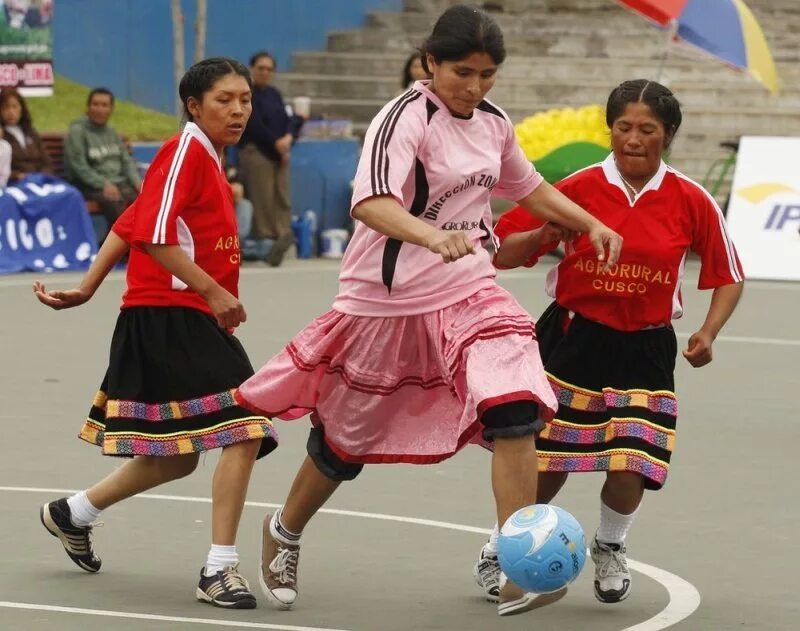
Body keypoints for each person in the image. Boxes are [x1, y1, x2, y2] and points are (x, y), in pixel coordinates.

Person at [235, 5, 621, 617]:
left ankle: (517, 565)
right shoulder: (402, 118)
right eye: (462, 72)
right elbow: (371, 204)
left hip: (469, 288)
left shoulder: (493, 122)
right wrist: (427, 235)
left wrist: (590, 221)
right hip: (387, 300)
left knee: (517, 404)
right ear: (431, 63)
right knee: (345, 443)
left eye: (488, 74)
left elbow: (529, 187)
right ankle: (283, 531)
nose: (474, 86)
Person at [473, 79, 745, 606]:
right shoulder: (575, 187)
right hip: (572, 340)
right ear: (611, 129)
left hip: (646, 349)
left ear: (668, 136)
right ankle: (504, 547)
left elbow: (728, 273)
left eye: (648, 129)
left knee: (632, 464)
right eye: (624, 127)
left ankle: (611, 545)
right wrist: (544, 237)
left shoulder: (691, 198)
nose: (634, 139)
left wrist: (708, 331)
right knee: (547, 463)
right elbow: (502, 252)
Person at [34, 57, 279, 610]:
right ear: (194, 106)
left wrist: (88, 286)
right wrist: (214, 292)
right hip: (170, 313)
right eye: (225, 99)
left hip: (181, 313)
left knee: (178, 455)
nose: (239, 109)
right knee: (244, 426)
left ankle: (72, 513)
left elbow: (130, 222)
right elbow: (152, 235)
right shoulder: (183, 151)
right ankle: (218, 569)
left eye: (245, 99)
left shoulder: (208, 156)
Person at [238, 51, 302, 267]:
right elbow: (254, 125)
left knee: (282, 195)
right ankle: (265, 242)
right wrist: (276, 146)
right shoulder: (247, 94)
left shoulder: (275, 94)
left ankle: (283, 236)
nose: (265, 72)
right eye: (260, 68)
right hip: (257, 151)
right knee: (262, 197)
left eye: (269, 69)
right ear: (252, 69)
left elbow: (289, 119)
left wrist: (288, 140)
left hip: (279, 154)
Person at [64, 87, 142, 231]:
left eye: (104, 105)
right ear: (88, 107)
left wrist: (137, 182)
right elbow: (79, 166)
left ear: (111, 109)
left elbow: (126, 161)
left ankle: (127, 248)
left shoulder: (111, 131)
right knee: (114, 201)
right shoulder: (77, 131)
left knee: (143, 200)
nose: (99, 109)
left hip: (117, 183)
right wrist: (102, 184)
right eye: (95, 104)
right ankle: (118, 250)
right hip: (89, 185)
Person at [0, 87, 53, 181]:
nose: (11, 112)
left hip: (40, 180)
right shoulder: (2, 135)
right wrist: (16, 176)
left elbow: (46, 162)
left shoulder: (30, 132)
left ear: (21, 109)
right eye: (6, 107)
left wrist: (42, 176)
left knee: (72, 193)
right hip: (15, 184)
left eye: (15, 106)